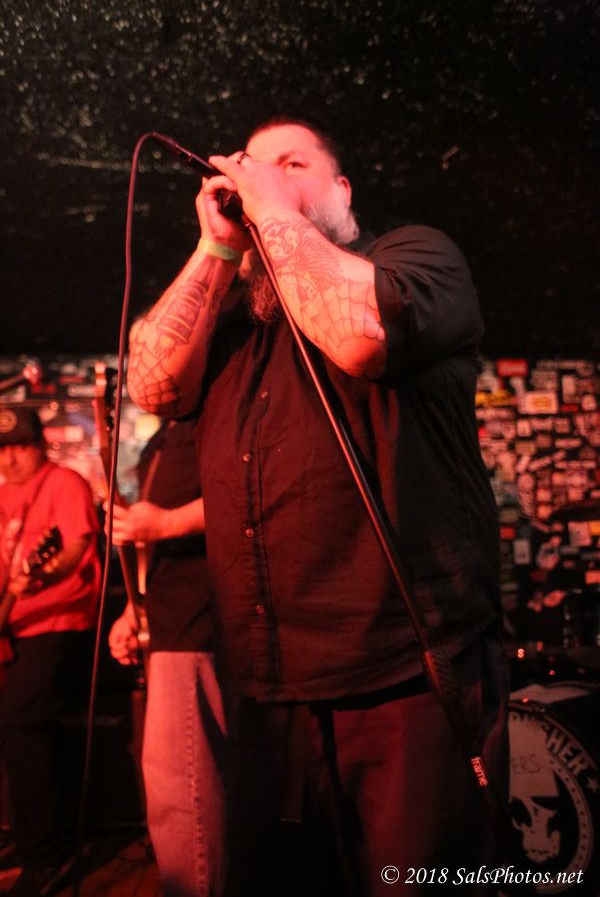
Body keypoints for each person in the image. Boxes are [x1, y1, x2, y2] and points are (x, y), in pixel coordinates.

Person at [126, 117, 508, 896]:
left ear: (343, 190)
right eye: (252, 165)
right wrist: (215, 249)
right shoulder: (232, 323)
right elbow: (152, 385)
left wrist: (273, 205)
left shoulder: (415, 256)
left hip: (402, 678)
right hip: (264, 688)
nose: (262, 175)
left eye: (293, 163)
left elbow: (359, 336)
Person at [108, 418, 228, 897]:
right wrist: (132, 610)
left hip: (198, 624)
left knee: (183, 790)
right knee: (170, 787)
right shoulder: (161, 439)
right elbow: (151, 548)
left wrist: (166, 523)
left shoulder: (213, 422)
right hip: (166, 624)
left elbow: (249, 495)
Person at [0, 406, 100, 897]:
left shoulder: (65, 484)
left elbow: (75, 550)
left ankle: (46, 853)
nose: (9, 458)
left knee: (24, 723)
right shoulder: (3, 495)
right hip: (15, 628)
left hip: (60, 622)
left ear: (40, 445)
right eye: (2, 449)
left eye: (19, 446)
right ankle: (26, 836)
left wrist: (41, 576)